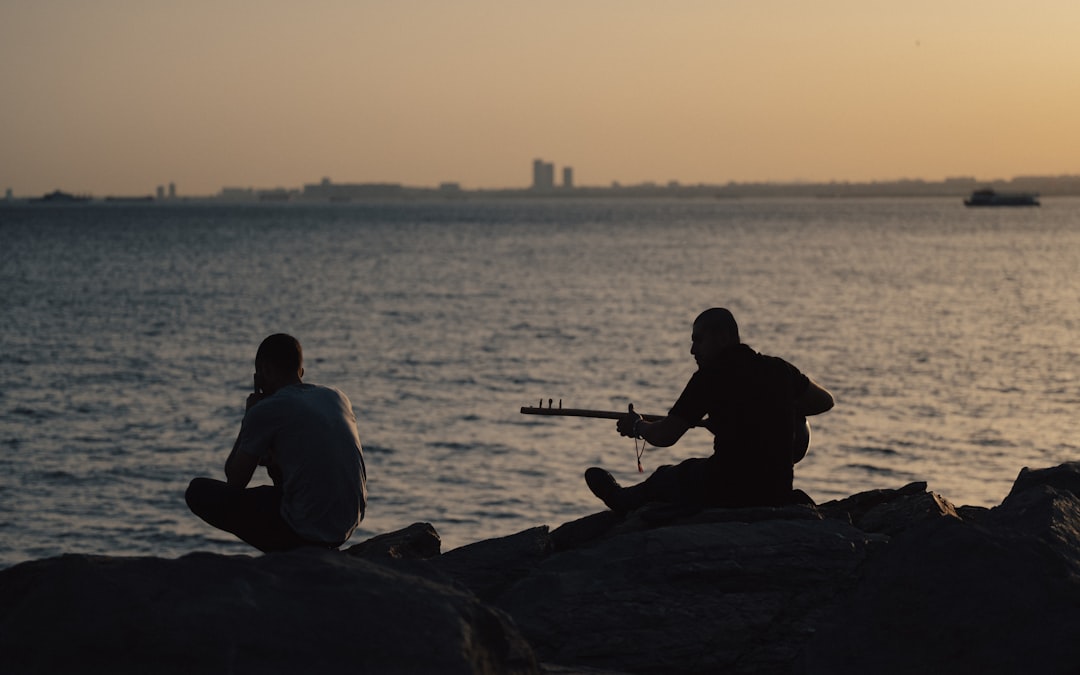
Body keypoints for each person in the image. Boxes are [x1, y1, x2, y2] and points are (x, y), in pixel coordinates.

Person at [585, 308, 834, 512]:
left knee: (666, 478)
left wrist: (637, 425)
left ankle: (619, 499)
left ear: (723, 337)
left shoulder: (710, 377)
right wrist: (764, 412)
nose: (693, 350)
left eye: (698, 340)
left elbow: (665, 435)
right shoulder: (779, 369)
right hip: (776, 490)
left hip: (727, 487)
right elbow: (824, 401)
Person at [186, 334, 367, 552]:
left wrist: (249, 417)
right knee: (277, 464)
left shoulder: (267, 409)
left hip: (305, 530)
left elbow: (235, 481)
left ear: (264, 371)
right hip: (346, 525)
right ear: (300, 372)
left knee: (197, 491)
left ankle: (290, 551)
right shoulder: (337, 397)